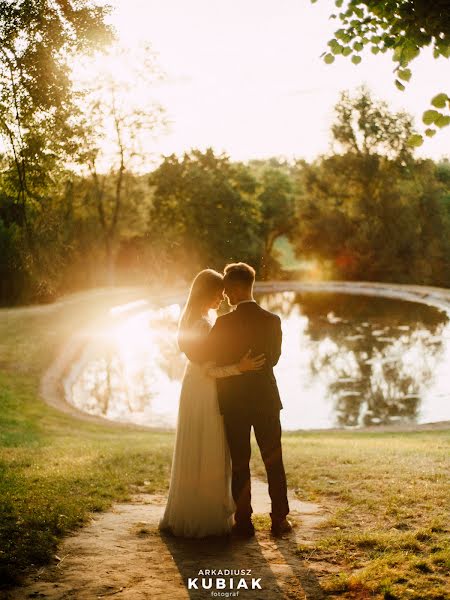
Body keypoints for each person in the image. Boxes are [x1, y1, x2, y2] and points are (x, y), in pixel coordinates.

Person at [185, 262, 292, 537]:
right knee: (273, 461)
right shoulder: (273, 321)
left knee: (240, 462)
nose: (226, 295)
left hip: (234, 403)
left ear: (234, 288)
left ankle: (244, 522)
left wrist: (233, 364)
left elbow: (209, 357)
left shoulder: (223, 323)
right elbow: (274, 359)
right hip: (266, 400)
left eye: (227, 290)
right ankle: (279, 520)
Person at [159, 269, 265, 538]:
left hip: (192, 388)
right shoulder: (204, 325)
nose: (223, 298)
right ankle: (204, 517)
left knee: (195, 445)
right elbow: (209, 369)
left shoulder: (191, 320)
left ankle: (188, 510)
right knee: (209, 448)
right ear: (207, 293)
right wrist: (239, 367)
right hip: (205, 391)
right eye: (219, 293)